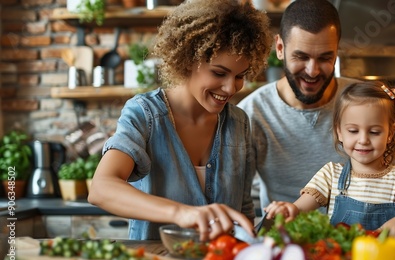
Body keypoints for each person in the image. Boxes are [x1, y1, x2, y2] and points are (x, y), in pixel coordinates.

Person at [88, 0, 273, 241]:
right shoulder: (144, 114)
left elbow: (243, 210)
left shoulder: (238, 122)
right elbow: (101, 188)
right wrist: (182, 213)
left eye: (240, 76)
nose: (230, 88)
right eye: (219, 73)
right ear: (188, 60)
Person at [264, 81, 395, 239]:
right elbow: (299, 208)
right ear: (339, 132)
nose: (363, 139)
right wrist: (289, 209)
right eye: (353, 131)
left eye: (374, 132)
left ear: (390, 133)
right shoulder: (330, 175)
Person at [238, 0, 359, 214]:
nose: (312, 71)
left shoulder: (362, 101)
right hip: (285, 238)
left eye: (325, 57)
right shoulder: (252, 112)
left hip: (356, 238)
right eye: (301, 56)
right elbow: (238, 198)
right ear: (280, 48)